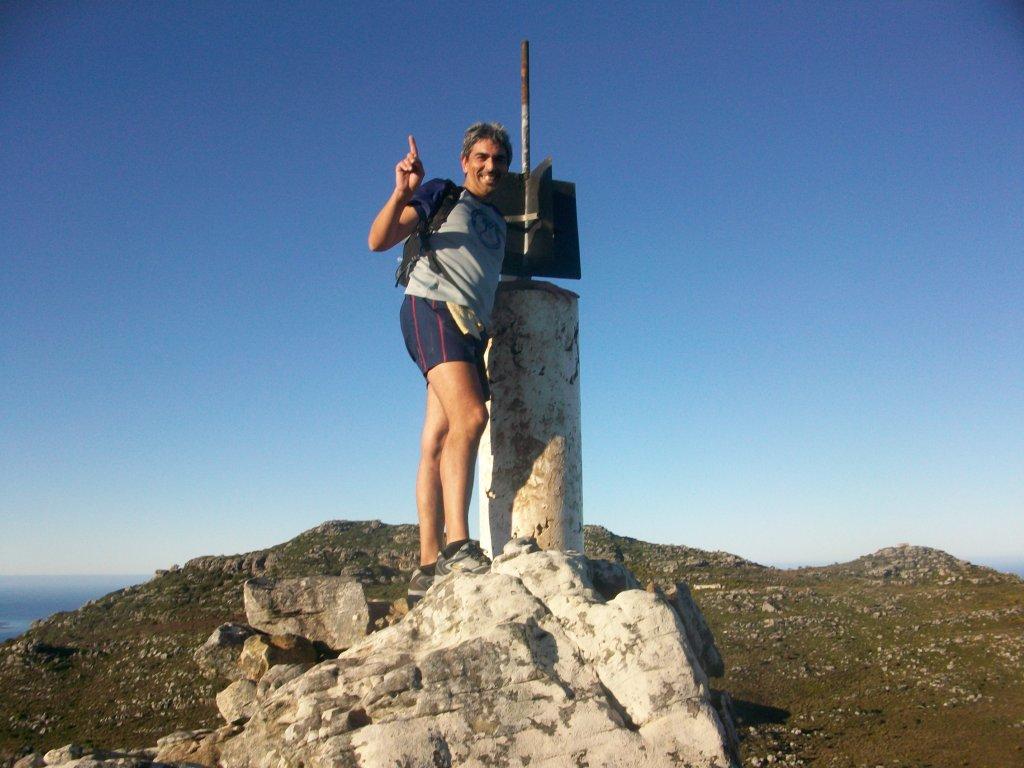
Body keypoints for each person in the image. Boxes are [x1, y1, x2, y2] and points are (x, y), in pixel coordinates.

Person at [368, 122, 512, 604]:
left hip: (470, 329)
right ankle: (458, 545)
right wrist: (401, 193)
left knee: (436, 438)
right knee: (471, 418)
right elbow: (378, 240)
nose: (490, 166)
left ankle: (427, 567)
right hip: (432, 306)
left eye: (499, 160)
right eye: (482, 157)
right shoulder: (443, 194)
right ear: (465, 161)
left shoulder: (499, 222)